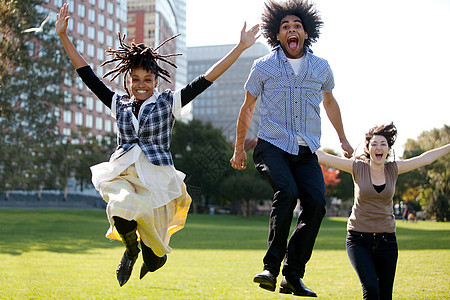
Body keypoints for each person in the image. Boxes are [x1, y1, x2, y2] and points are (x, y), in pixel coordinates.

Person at [55, 3, 260, 287]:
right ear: (128, 81)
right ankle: (129, 250)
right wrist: (64, 36)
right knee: (121, 210)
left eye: (147, 80)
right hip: (123, 173)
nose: (141, 84)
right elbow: (87, 75)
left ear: (155, 81)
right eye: (135, 79)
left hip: (156, 179)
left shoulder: (168, 103)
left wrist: (240, 47)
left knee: (156, 256)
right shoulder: (118, 103)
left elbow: (207, 78)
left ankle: (152, 257)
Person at [230, 0, 353, 297]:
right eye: (285, 26)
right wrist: (238, 149)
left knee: (316, 204)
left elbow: (331, 102)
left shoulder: (321, 67)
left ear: (306, 33)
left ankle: (292, 276)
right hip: (271, 146)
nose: (291, 29)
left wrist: (343, 139)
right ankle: (271, 268)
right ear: (277, 34)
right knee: (287, 192)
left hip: (306, 151)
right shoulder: (263, 67)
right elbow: (247, 109)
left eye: (297, 25)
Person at [316, 123, 450, 300]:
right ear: (368, 148)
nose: (378, 147)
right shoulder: (357, 167)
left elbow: (425, 158)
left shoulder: (393, 169)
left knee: (385, 295)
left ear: (388, 149)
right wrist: (295, 139)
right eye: (374, 144)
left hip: (387, 240)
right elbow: (323, 157)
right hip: (358, 239)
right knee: (371, 289)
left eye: (383, 144)